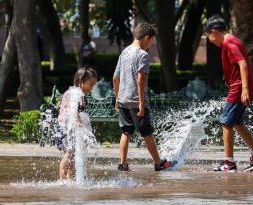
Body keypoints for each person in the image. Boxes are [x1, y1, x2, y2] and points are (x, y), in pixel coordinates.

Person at [205, 16, 253, 172]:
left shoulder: (229, 43)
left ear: (213, 32)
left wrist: (245, 89)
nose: (211, 41)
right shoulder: (233, 40)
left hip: (239, 87)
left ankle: (229, 163)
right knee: (237, 122)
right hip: (239, 86)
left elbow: (243, 63)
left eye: (209, 37)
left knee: (226, 123)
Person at [112, 22, 176, 171]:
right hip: (136, 101)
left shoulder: (124, 52)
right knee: (147, 132)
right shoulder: (143, 55)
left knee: (126, 132)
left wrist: (117, 98)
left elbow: (115, 78)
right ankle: (159, 163)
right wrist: (141, 103)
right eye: (152, 41)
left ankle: (123, 164)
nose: (151, 44)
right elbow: (141, 80)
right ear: (146, 37)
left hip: (123, 100)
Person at [57, 66, 98, 180]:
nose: (92, 88)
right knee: (69, 154)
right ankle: (62, 180)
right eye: (91, 84)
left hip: (71, 128)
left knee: (74, 156)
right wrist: (78, 121)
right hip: (64, 128)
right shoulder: (75, 93)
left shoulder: (80, 93)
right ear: (81, 80)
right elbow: (72, 109)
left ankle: (69, 179)